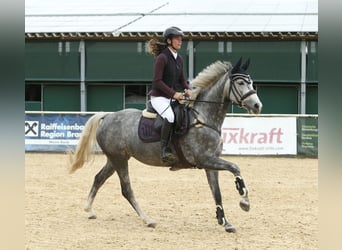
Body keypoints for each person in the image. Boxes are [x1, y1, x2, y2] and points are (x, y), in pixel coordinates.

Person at [147, 26, 192, 164]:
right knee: (170, 116)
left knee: (184, 113)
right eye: (177, 39)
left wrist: (187, 88)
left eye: (181, 39)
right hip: (159, 97)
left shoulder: (179, 59)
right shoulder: (162, 58)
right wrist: (174, 94)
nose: (180, 41)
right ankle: (164, 150)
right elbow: (157, 81)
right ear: (168, 41)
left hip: (170, 97)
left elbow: (182, 80)